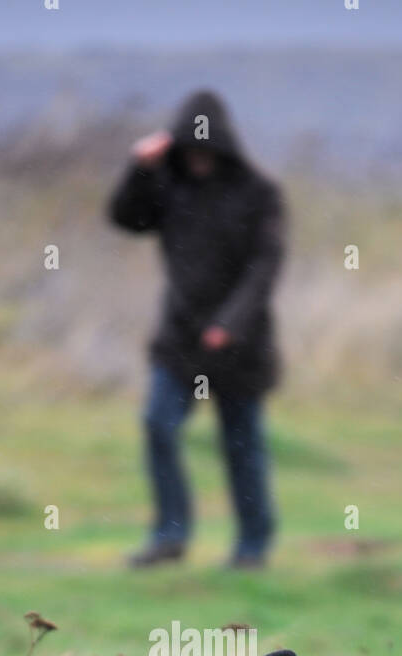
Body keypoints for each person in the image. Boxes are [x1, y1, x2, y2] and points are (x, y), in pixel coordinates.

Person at [107, 90, 286, 569]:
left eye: (205, 150)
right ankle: (170, 536)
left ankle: (253, 546)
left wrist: (230, 323)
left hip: (241, 346)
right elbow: (126, 219)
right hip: (179, 341)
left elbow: (265, 267)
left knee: (241, 445)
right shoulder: (169, 186)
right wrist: (141, 168)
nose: (198, 159)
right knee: (157, 424)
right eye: (190, 150)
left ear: (224, 147)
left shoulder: (259, 194)